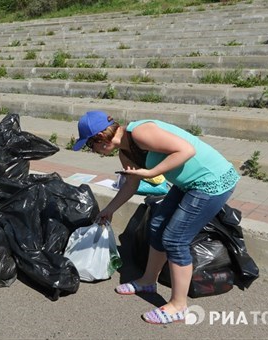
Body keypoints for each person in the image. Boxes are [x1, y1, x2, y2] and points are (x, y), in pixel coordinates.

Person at [72, 110, 239, 325]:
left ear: (101, 138)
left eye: (89, 144)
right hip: (187, 184)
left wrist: (152, 172)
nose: (91, 150)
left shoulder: (140, 132)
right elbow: (131, 184)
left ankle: (179, 306)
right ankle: (148, 281)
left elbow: (186, 150)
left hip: (210, 182)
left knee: (175, 239)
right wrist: (110, 209)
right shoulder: (125, 153)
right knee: (157, 224)